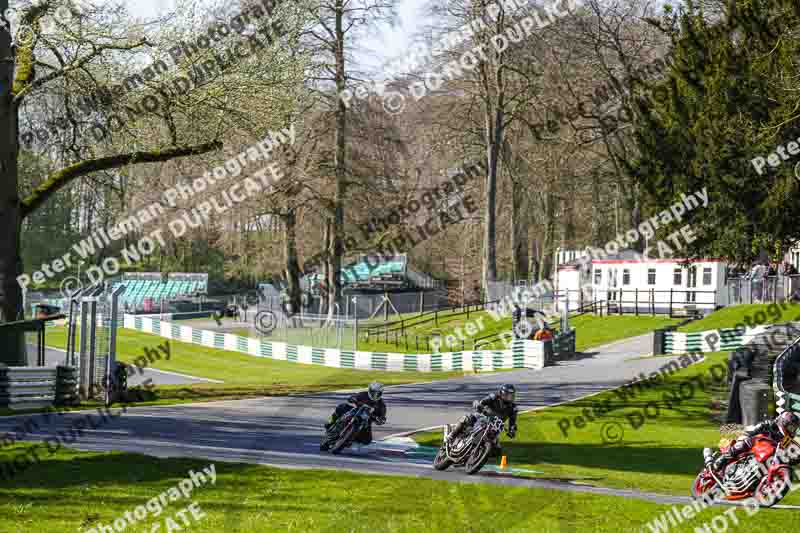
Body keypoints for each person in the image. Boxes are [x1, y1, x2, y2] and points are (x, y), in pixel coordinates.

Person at [712, 412, 800, 473]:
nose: (791, 430)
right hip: (753, 440)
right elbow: (757, 429)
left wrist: (796, 458)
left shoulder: (786, 439)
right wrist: (749, 435)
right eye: (790, 427)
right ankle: (722, 460)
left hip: (765, 452)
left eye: (793, 428)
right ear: (784, 422)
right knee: (743, 443)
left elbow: (787, 456)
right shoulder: (770, 424)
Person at [446, 384, 518, 444]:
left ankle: (478, 455)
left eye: (511, 395)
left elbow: (513, 422)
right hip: (484, 417)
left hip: (495, 427)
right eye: (508, 395)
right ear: (502, 394)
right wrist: (480, 406)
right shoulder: (494, 396)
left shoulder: (513, 408)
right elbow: (483, 402)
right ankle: (452, 434)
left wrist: (512, 430)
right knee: (468, 418)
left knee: (497, 449)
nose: (509, 398)